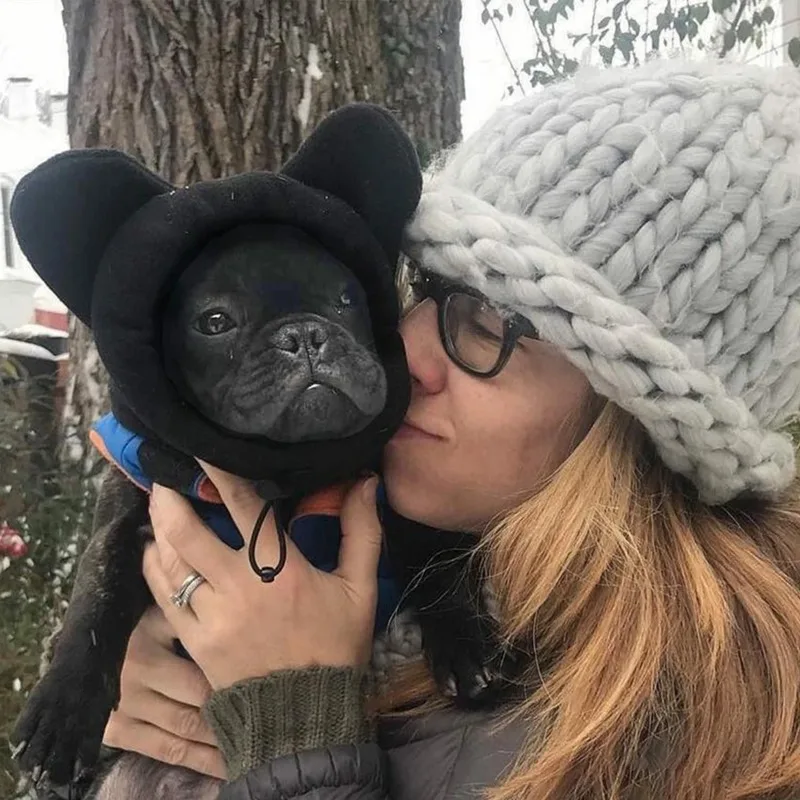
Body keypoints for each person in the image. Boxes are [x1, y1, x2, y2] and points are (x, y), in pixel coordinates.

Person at [81, 59, 800, 799]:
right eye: (421, 289)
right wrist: (130, 664)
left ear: (640, 419)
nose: (411, 352)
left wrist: (293, 733)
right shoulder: (386, 573)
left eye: (486, 325)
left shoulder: (697, 742)